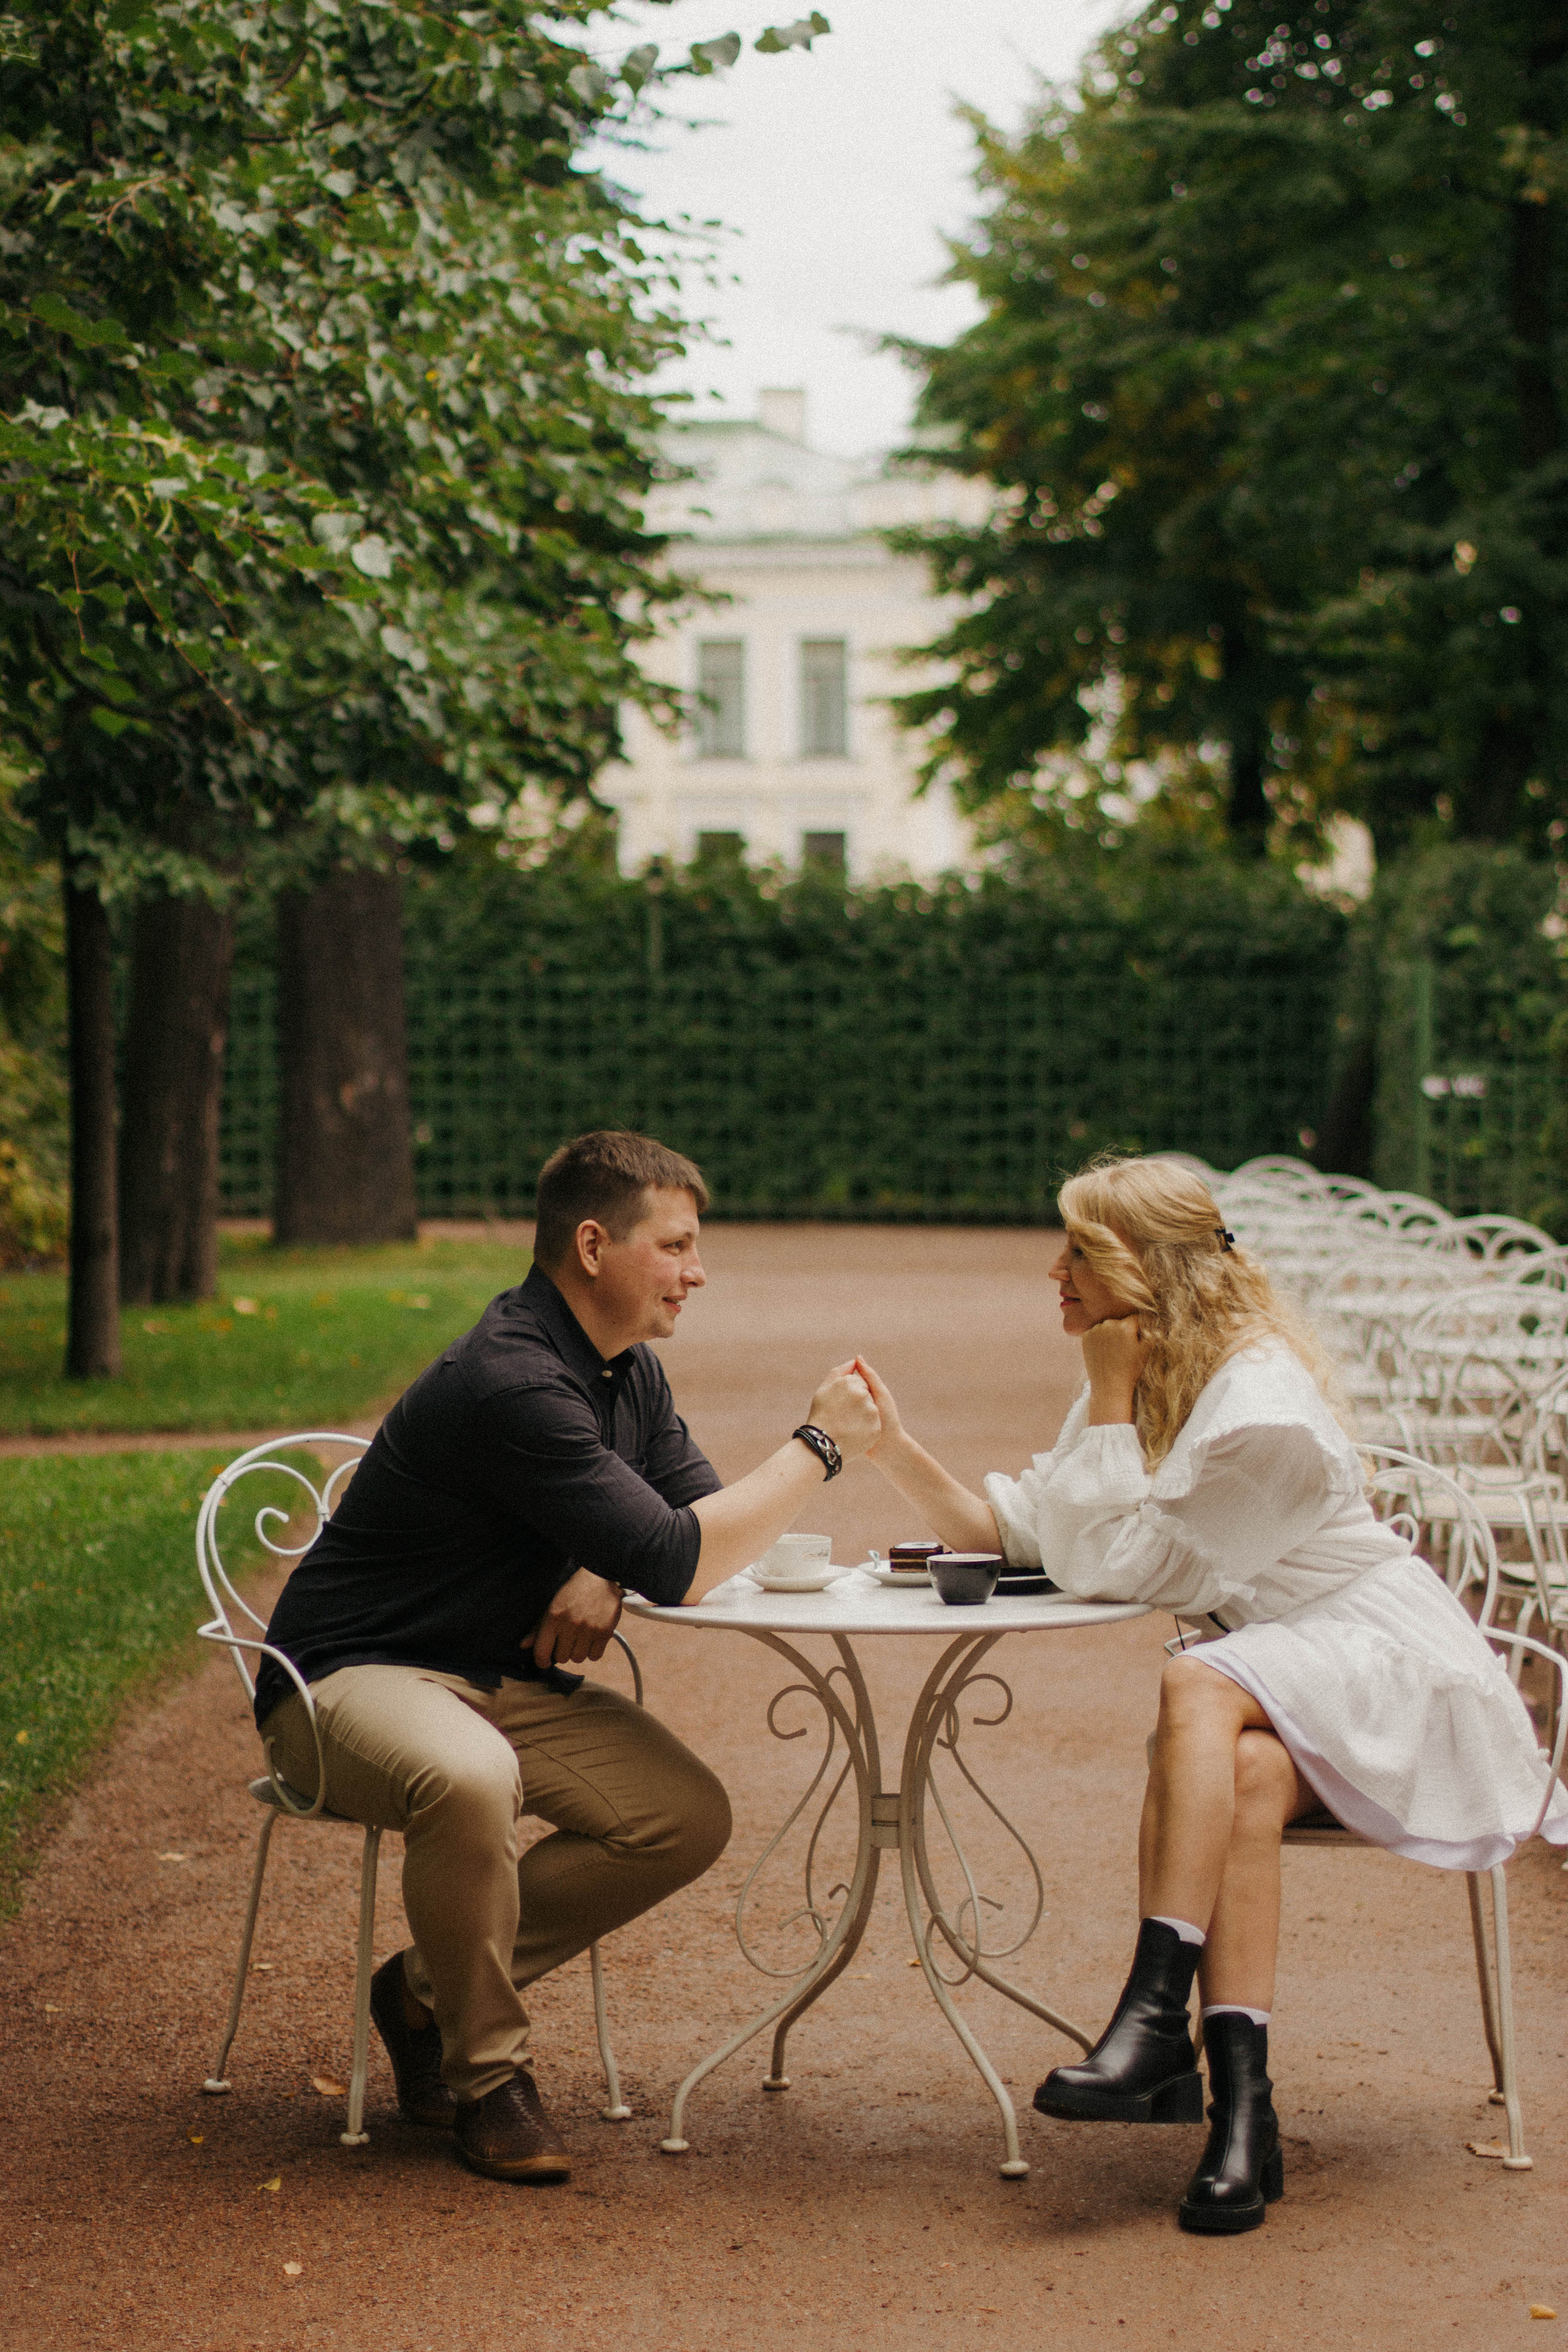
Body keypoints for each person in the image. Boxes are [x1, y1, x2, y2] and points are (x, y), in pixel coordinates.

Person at [854, 1153, 1568, 2236]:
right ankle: (1242, 2116)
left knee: (1195, 1671)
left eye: (1080, 1253)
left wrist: (1106, 1396)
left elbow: (1136, 1573)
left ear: (1151, 1271)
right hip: (1281, 1687)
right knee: (1231, 1760)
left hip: (1392, 1678)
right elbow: (1035, 1532)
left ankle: (1151, 2024)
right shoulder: (1147, 1363)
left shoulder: (1259, 1398)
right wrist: (892, 1449)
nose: (1056, 1272)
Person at [254, 1129, 878, 2185]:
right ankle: (488, 2079)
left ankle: (420, 1996)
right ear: (594, 1245)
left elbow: (700, 1523)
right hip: (348, 1678)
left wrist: (609, 1568)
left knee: (681, 1816)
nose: (699, 1270)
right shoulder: (513, 1378)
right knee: (469, 1775)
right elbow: (689, 1557)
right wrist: (817, 1447)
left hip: (491, 1678)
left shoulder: (626, 1374)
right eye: (676, 1246)